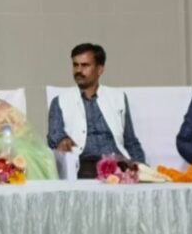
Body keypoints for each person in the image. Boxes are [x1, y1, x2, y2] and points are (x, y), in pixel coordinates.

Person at [47, 43, 146, 178]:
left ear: (100, 69)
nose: (78, 70)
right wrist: (63, 141)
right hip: (84, 164)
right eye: (75, 65)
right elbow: (54, 137)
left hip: (119, 163)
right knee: (92, 174)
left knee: (134, 177)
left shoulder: (118, 97)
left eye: (85, 65)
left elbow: (130, 141)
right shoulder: (60, 101)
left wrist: (142, 167)